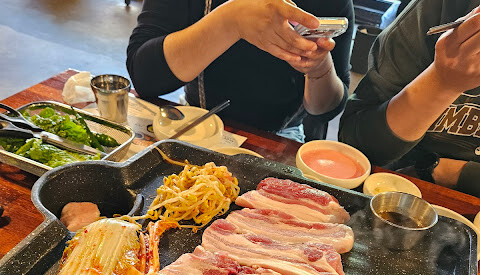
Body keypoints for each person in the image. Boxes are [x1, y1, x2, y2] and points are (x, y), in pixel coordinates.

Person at [127, 0, 354, 142]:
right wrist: (230, 21)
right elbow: (144, 76)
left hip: (281, 136)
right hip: (198, 121)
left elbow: (327, 109)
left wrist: (319, 69)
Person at [339, 0, 480, 197]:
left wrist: (451, 173)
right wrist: (442, 82)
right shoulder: (438, 9)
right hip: (391, 187)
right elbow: (355, 149)